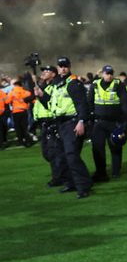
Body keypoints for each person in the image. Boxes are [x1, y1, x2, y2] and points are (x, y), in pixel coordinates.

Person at [35, 56, 92, 199]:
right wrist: (42, 96)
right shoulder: (56, 85)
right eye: (60, 66)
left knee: (71, 155)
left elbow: (82, 104)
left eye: (65, 65)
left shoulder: (73, 83)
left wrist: (81, 121)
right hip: (60, 124)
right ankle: (71, 182)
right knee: (61, 156)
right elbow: (51, 104)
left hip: (71, 123)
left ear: (69, 66)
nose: (63, 68)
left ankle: (83, 186)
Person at [88, 65, 127, 180]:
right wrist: (90, 120)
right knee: (97, 148)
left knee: (116, 146)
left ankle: (116, 171)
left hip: (114, 122)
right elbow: (90, 102)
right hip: (99, 122)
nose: (109, 75)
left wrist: (125, 123)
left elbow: (125, 104)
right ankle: (101, 172)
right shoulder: (95, 84)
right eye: (107, 73)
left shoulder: (118, 84)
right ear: (102, 73)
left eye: (111, 73)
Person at [33, 65, 67, 187]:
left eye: (47, 71)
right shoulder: (44, 86)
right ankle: (61, 175)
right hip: (44, 123)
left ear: (53, 74)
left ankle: (59, 177)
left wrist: (41, 95)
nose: (43, 73)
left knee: (54, 152)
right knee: (47, 153)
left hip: (52, 121)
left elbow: (50, 103)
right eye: (43, 71)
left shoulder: (55, 86)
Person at [7, 77, 35, 147]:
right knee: (25, 127)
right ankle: (28, 140)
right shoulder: (26, 92)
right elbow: (33, 100)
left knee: (18, 127)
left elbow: (7, 101)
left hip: (16, 111)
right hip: (24, 111)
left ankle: (20, 140)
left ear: (15, 85)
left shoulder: (12, 93)